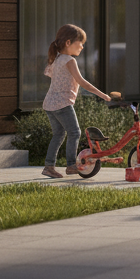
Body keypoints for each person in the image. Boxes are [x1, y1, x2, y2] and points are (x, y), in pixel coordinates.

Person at [41, 24, 113, 179]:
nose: (82, 46)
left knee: (58, 134)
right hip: (62, 103)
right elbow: (83, 82)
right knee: (75, 132)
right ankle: (71, 165)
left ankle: (49, 166)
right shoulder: (69, 60)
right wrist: (103, 95)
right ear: (68, 43)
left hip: (49, 104)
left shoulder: (57, 59)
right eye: (80, 42)